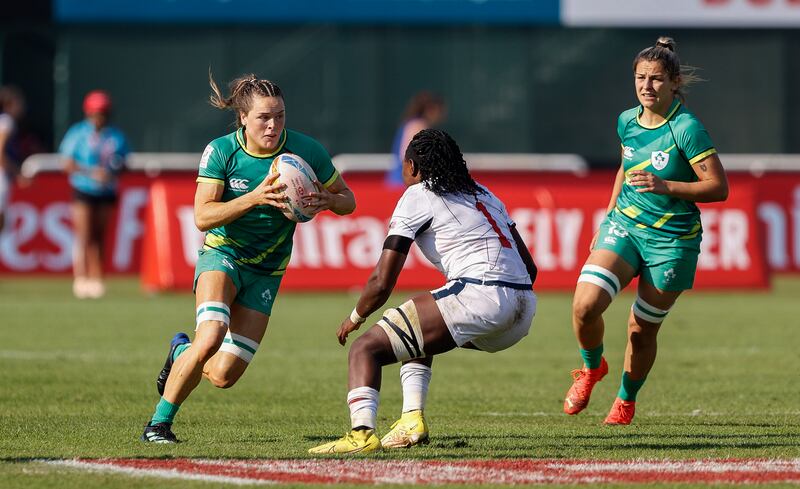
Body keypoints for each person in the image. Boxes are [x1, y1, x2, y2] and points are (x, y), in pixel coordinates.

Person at [140, 73, 356, 443]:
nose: (273, 125)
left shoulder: (306, 151)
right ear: (243, 117)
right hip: (223, 255)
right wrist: (255, 197)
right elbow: (203, 216)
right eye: (263, 118)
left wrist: (329, 200)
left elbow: (349, 201)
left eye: (280, 116)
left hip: (267, 270)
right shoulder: (222, 151)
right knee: (211, 336)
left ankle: (180, 352)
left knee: (223, 376)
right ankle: (158, 425)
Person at [309, 129, 537, 454]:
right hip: (524, 310)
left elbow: (381, 281)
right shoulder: (484, 193)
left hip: (481, 296)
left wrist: (355, 317)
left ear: (413, 167)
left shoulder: (418, 194)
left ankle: (361, 434)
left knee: (365, 349)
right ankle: (411, 420)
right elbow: (530, 268)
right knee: (417, 333)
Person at [562, 37, 728, 425]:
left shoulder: (686, 129)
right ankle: (591, 368)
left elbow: (718, 188)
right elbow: (625, 168)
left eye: (655, 79)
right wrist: (607, 217)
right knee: (585, 306)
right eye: (640, 78)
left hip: (672, 240)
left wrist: (666, 185)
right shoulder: (626, 120)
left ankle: (626, 398)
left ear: (673, 82)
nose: (646, 86)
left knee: (640, 330)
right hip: (625, 226)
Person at [59, 90, 129, 299]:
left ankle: (97, 278)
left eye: (103, 113)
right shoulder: (78, 133)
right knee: (84, 235)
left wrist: (111, 172)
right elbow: (67, 162)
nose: (100, 118)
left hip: (106, 191)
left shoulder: (115, 136)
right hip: (83, 189)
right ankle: (81, 278)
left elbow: (124, 162)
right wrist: (91, 173)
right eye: (97, 113)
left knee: (100, 236)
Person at [386, 91, 446, 188]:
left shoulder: (412, 124)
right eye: (440, 111)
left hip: (401, 181)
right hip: (402, 183)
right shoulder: (417, 126)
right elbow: (409, 157)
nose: (442, 116)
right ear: (431, 109)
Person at [0, 85, 26, 234]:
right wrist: (17, 173)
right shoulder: (7, 122)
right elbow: (0, 153)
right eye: (18, 102)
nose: (21, 106)